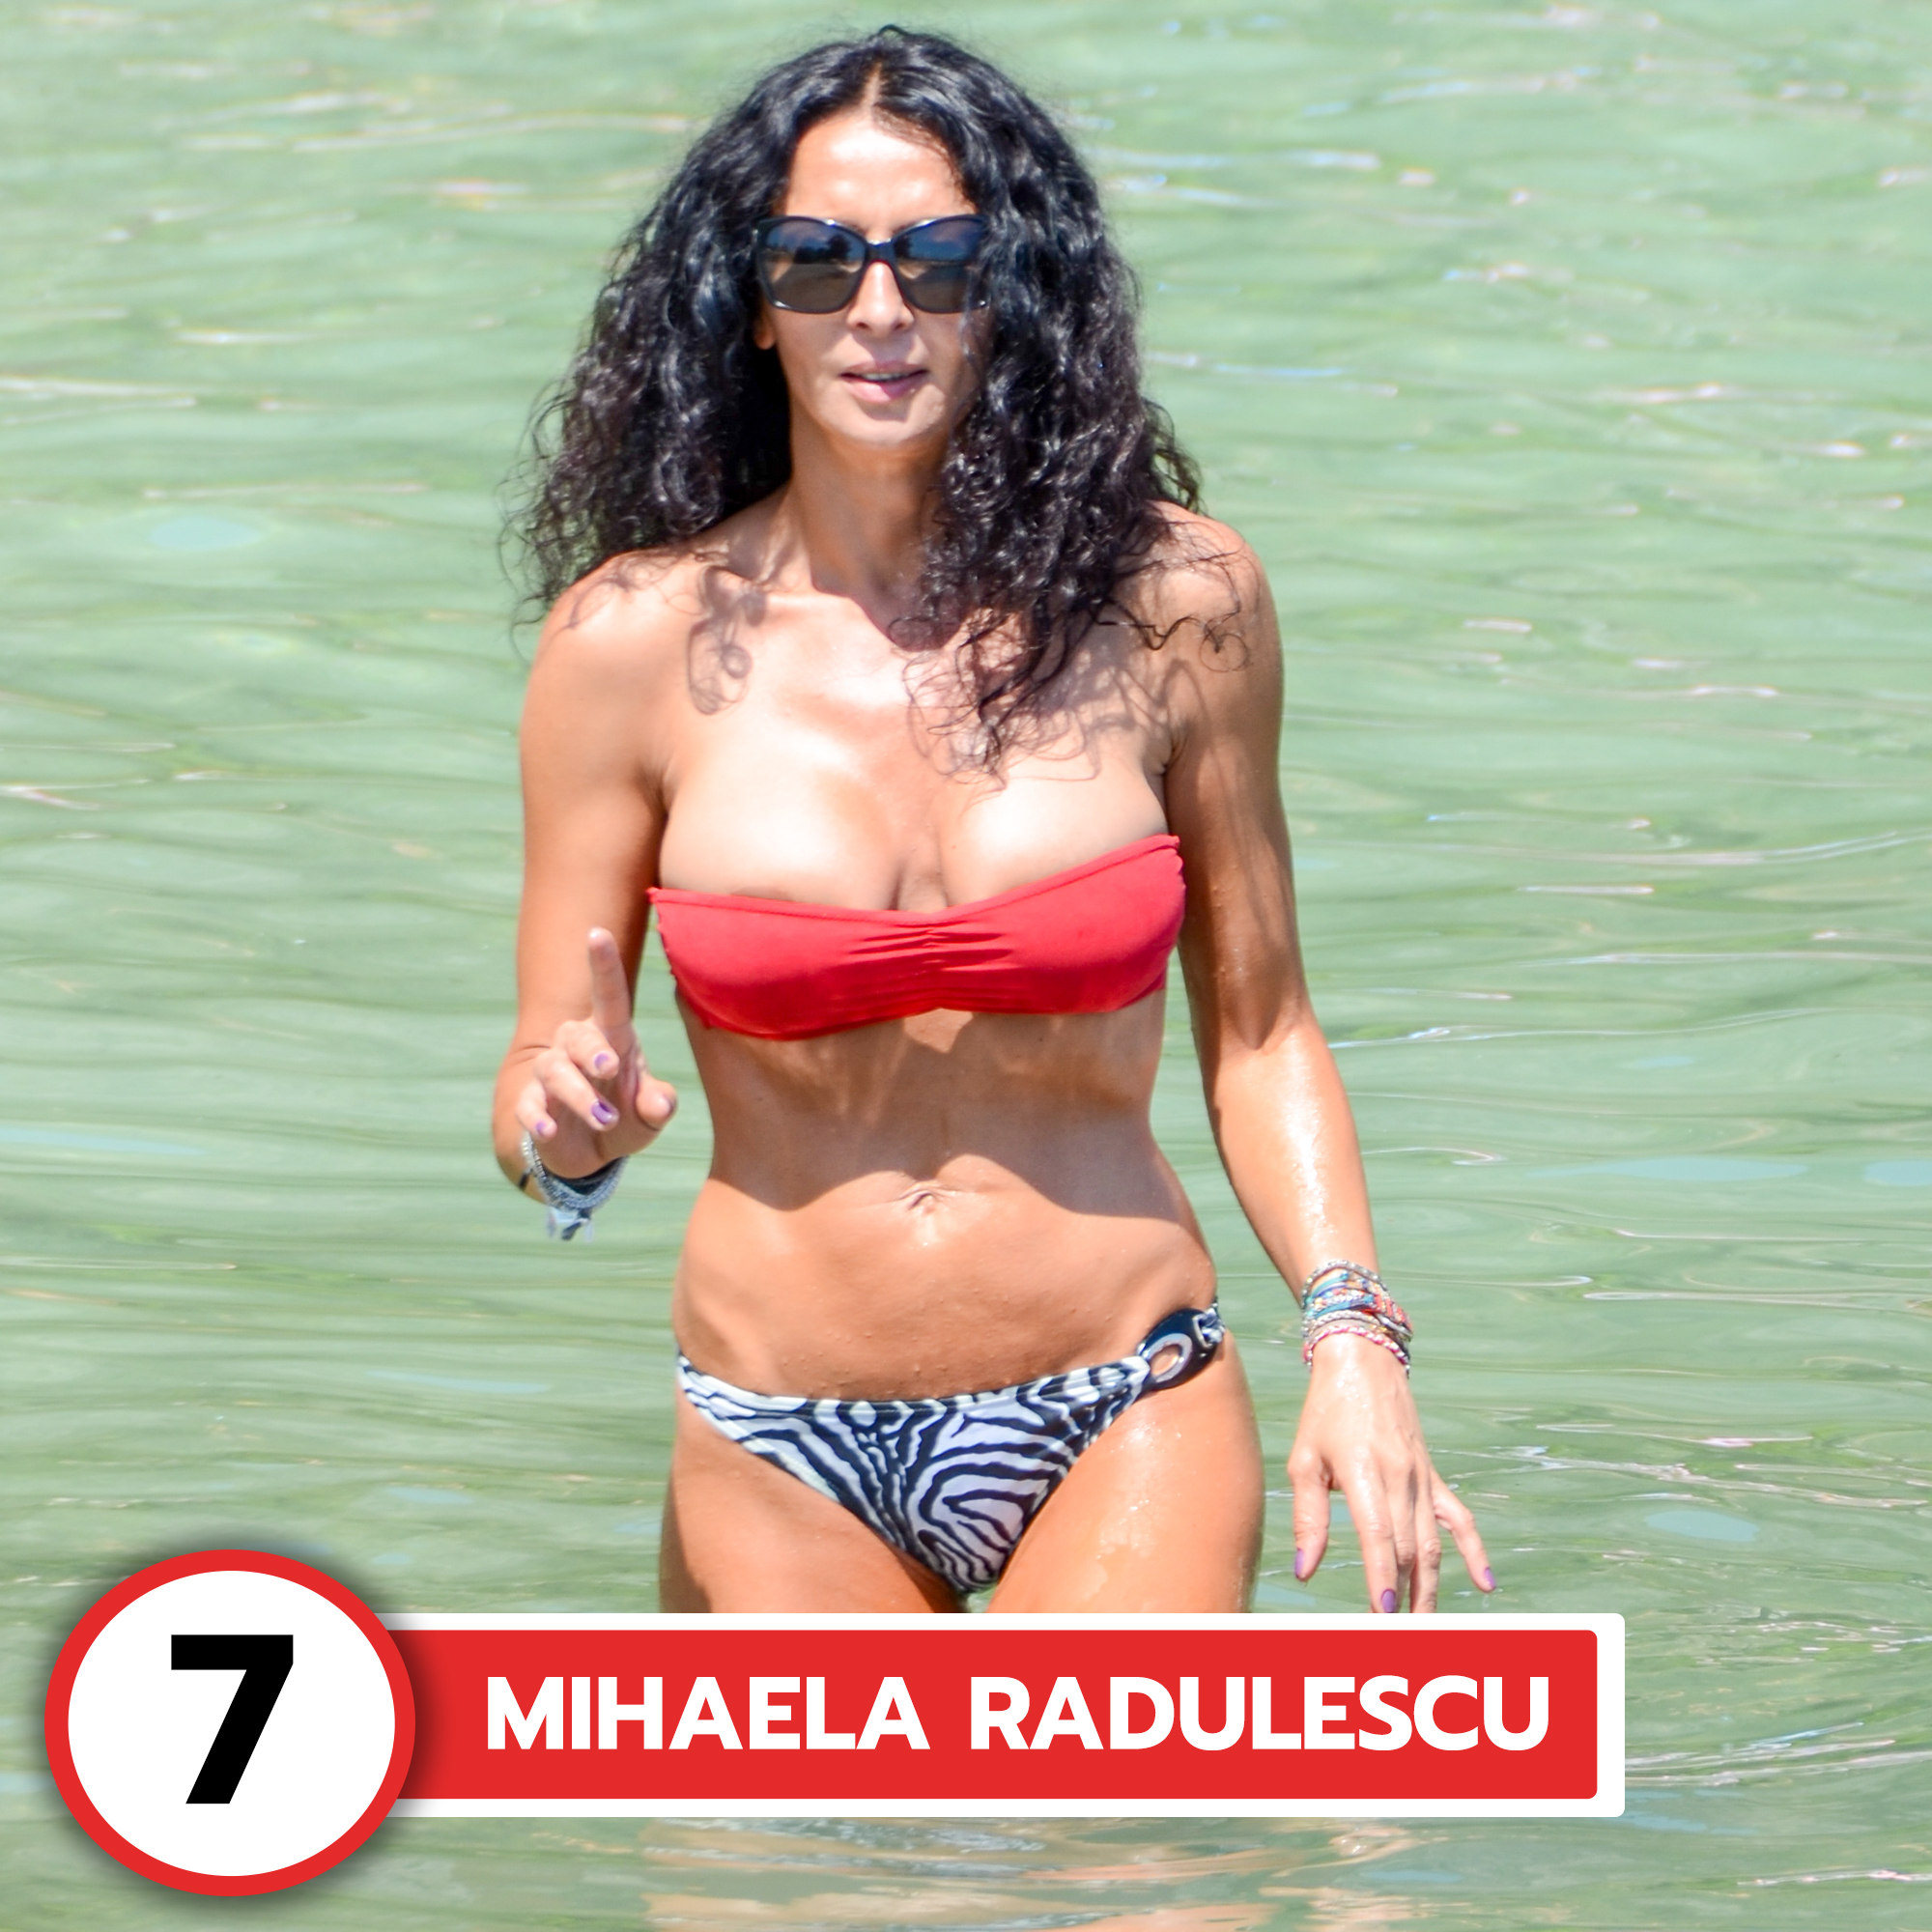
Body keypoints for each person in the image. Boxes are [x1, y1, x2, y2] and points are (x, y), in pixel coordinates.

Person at [492, 27, 1492, 1615]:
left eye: (940, 260)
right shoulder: (627, 644)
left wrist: (1353, 1336)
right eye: (818, 261)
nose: (880, 309)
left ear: (1010, 288)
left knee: (1101, 1791)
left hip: (1123, 1394)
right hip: (776, 1429)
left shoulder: (1172, 603)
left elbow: (1263, 1031)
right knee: (819, 1803)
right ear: (751, 301)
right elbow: (544, 1083)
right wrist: (571, 1137)